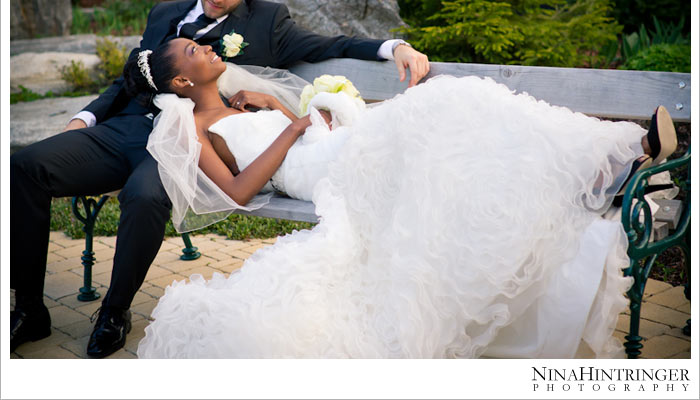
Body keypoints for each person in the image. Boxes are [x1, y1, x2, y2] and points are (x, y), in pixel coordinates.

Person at [9, 0, 430, 358]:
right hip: (127, 128)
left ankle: (114, 312)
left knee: (144, 195)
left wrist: (395, 46)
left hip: (187, 143)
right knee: (23, 167)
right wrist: (84, 118)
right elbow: (127, 82)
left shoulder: (267, 22)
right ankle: (28, 307)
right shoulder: (164, 14)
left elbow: (330, 44)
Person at [125, 39, 677, 358]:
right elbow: (241, 189)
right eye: (192, 50)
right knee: (439, 110)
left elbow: (297, 126)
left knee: (460, 130)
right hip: (322, 171)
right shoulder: (195, 128)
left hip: (336, 147)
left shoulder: (244, 99)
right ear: (178, 84)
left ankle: (611, 165)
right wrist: (291, 131)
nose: (205, 48)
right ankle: (608, 169)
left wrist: (278, 107)